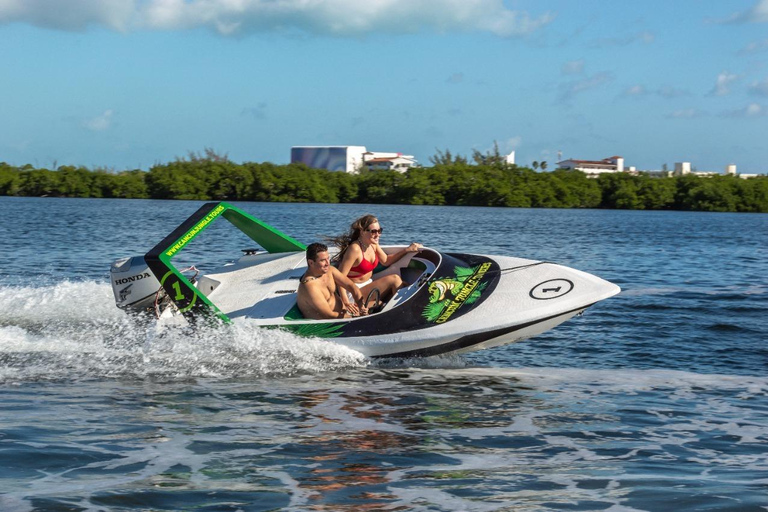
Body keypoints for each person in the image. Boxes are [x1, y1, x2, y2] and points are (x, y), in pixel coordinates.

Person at [330, 215, 422, 308]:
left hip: (368, 286)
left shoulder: (373, 244)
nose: (377, 234)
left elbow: (386, 261)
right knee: (395, 279)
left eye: (379, 231)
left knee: (404, 285)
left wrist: (407, 250)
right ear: (362, 232)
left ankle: (401, 309)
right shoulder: (355, 249)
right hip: (353, 293)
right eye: (373, 231)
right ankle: (403, 312)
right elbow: (340, 278)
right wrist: (346, 303)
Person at [297, 242, 368, 320]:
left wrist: (361, 307)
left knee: (380, 303)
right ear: (311, 263)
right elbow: (328, 315)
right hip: (328, 324)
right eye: (323, 260)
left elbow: (352, 286)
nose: (328, 263)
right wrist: (354, 317)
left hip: (344, 314)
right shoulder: (310, 286)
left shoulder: (330, 270)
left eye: (328, 258)